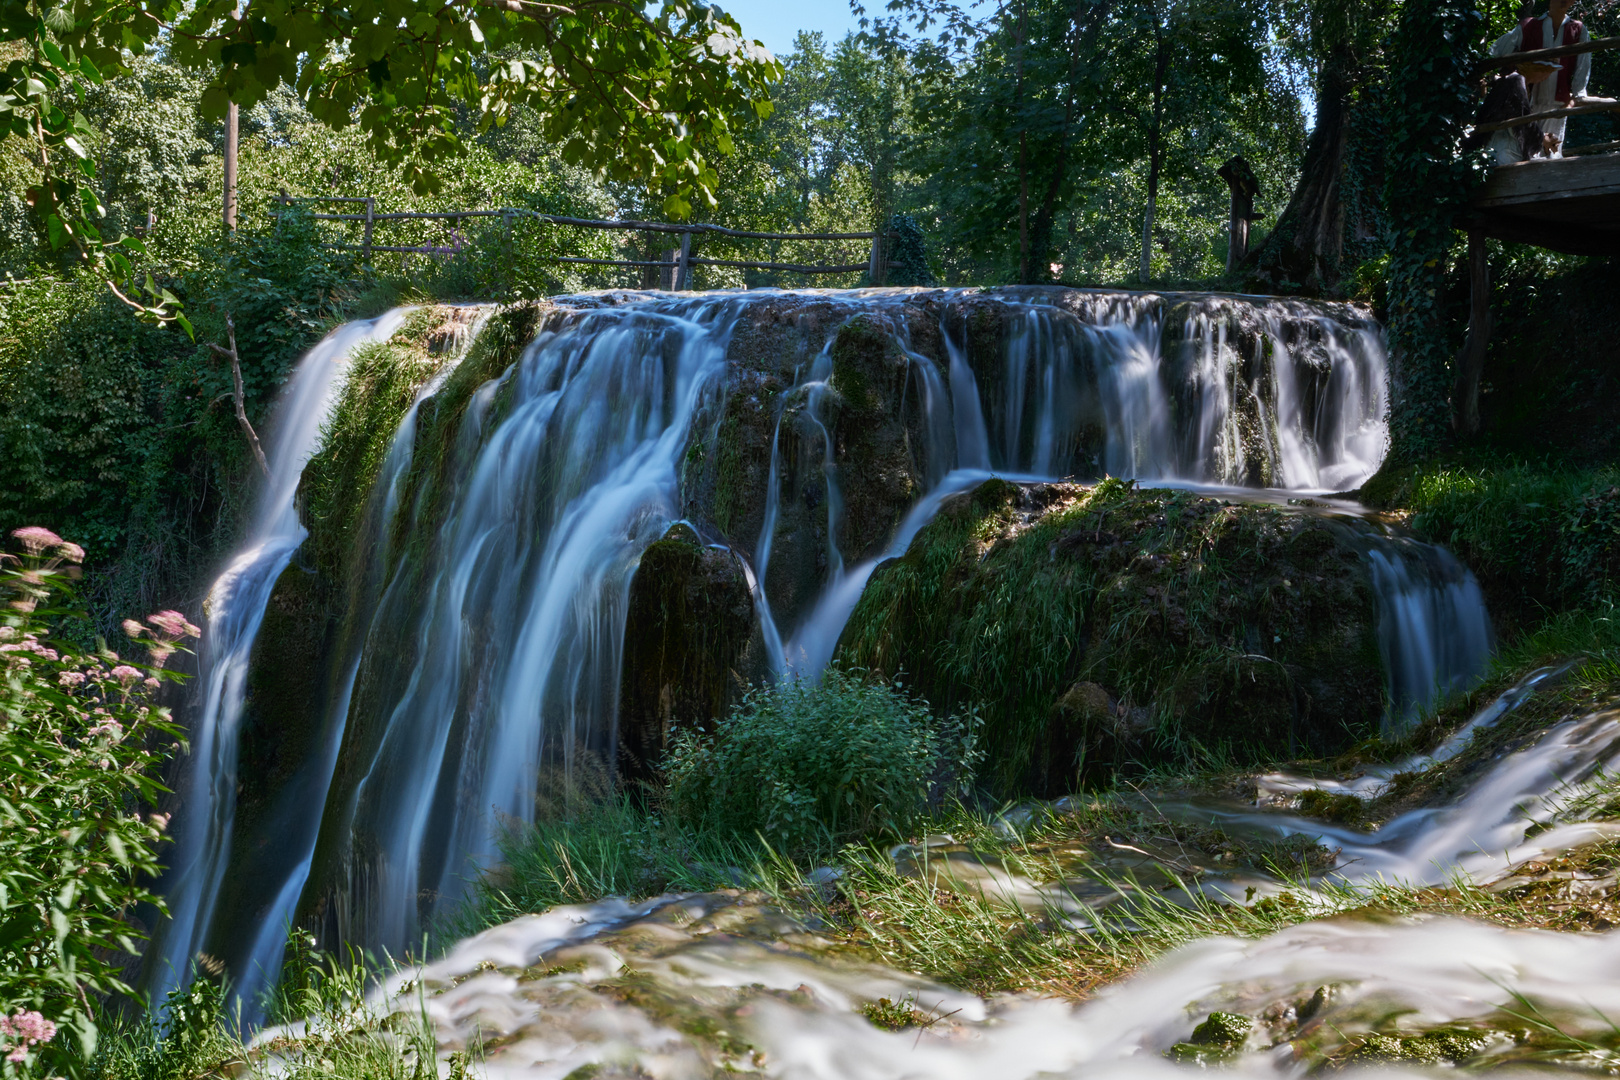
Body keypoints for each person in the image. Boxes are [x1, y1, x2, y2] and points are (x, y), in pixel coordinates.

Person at [1486, 0, 1592, 161]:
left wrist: (1575, 97)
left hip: (1557, 105)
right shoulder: (1528, 26)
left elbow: (1583, 68)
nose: (1564, 2)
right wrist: (1503, 74)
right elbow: (1496, 51)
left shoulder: (1578, 30)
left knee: (1552, 155)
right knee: (1524, 149)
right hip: (1528, 101)